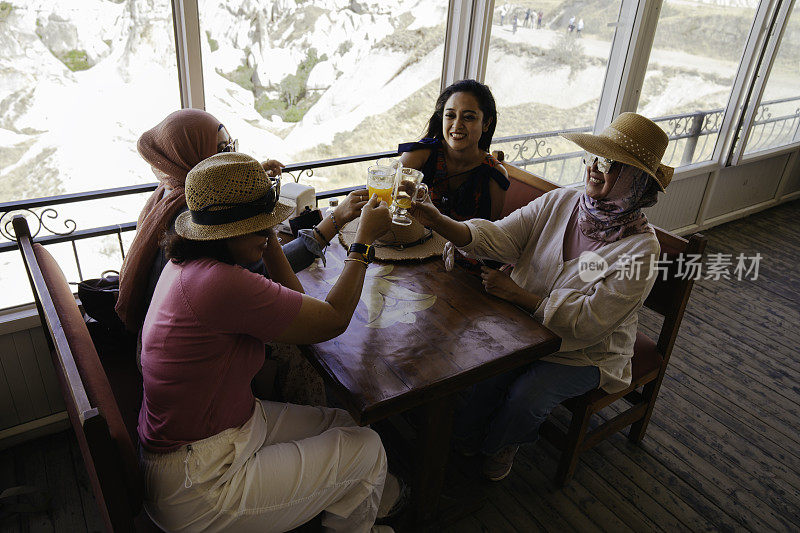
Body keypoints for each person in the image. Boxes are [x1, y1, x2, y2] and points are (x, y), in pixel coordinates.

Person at [138, 152, 398, 532]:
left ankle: (366, 506)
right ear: (228, 232)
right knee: (368, 449)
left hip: (217, 437)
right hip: (200, 483)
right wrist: (362, 244)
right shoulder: (221, 286)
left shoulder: (193, 264)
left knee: (346, 423)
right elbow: (332, 320)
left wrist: (266, 230)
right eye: (260, 225)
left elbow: (298, 300)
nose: (269, 231)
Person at [408, 113, 673, 482]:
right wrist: (438, 221)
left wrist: (521, 296)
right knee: (484, 374)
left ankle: (500, 445)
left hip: (585, 352)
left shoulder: (642, 251)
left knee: (526, 397)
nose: (596, 169)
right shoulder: (563, 202)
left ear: (636, 180)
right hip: (526, 328)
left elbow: (591, 322)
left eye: (610, 163)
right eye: (594, 158)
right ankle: (463, 440)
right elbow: (502, 237)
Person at [116, 108, 368, 334]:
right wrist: (349, 232)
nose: (231, 155)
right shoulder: (199, 232)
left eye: (231, 146)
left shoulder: (174, 193)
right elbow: (271, 276)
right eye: (222, 150)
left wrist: (246, 181)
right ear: (192, 153)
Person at [398, 79, 509, 222]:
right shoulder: (421, 154)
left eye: (468, 117)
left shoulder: (494, 175)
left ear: (486, 123)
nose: (457, 125)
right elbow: (387, 201)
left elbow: (488, 233)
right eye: (450, 115)